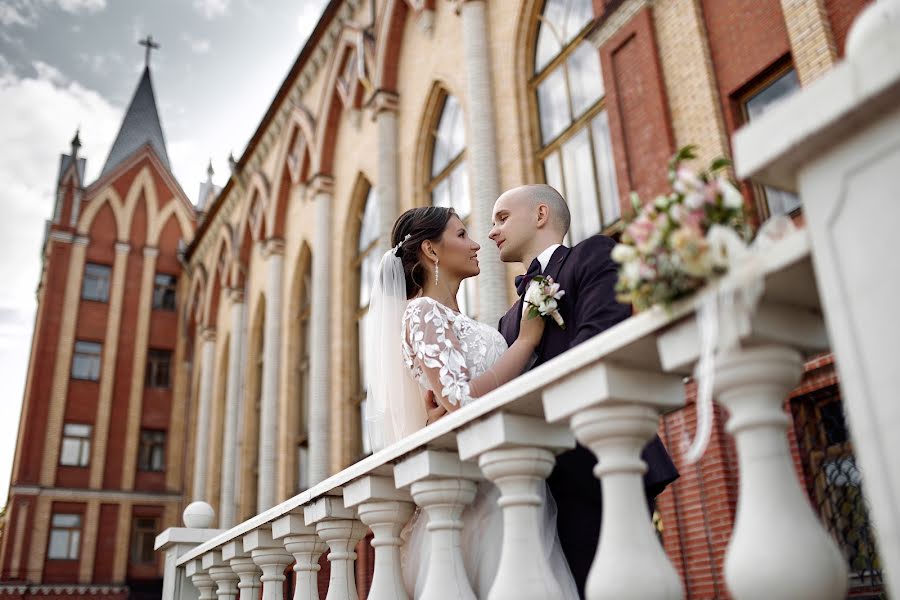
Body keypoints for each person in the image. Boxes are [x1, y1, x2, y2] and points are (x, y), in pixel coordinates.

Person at [364, 205, 578, 598]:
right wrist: (527, 341)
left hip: (504, 479)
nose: (476, 244)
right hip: (477, 499)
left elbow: (453, 398)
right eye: (462, 235)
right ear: (431, 250)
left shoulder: (465, 322)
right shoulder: (422, 311)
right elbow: (460, 400)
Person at [490, 184, 679, 599]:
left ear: (541, 215)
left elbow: (598, 337)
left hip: (604, 459)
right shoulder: (507, 325)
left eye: (502, 217)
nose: (492, 232)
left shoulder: (592, 255)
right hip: (544, 487)